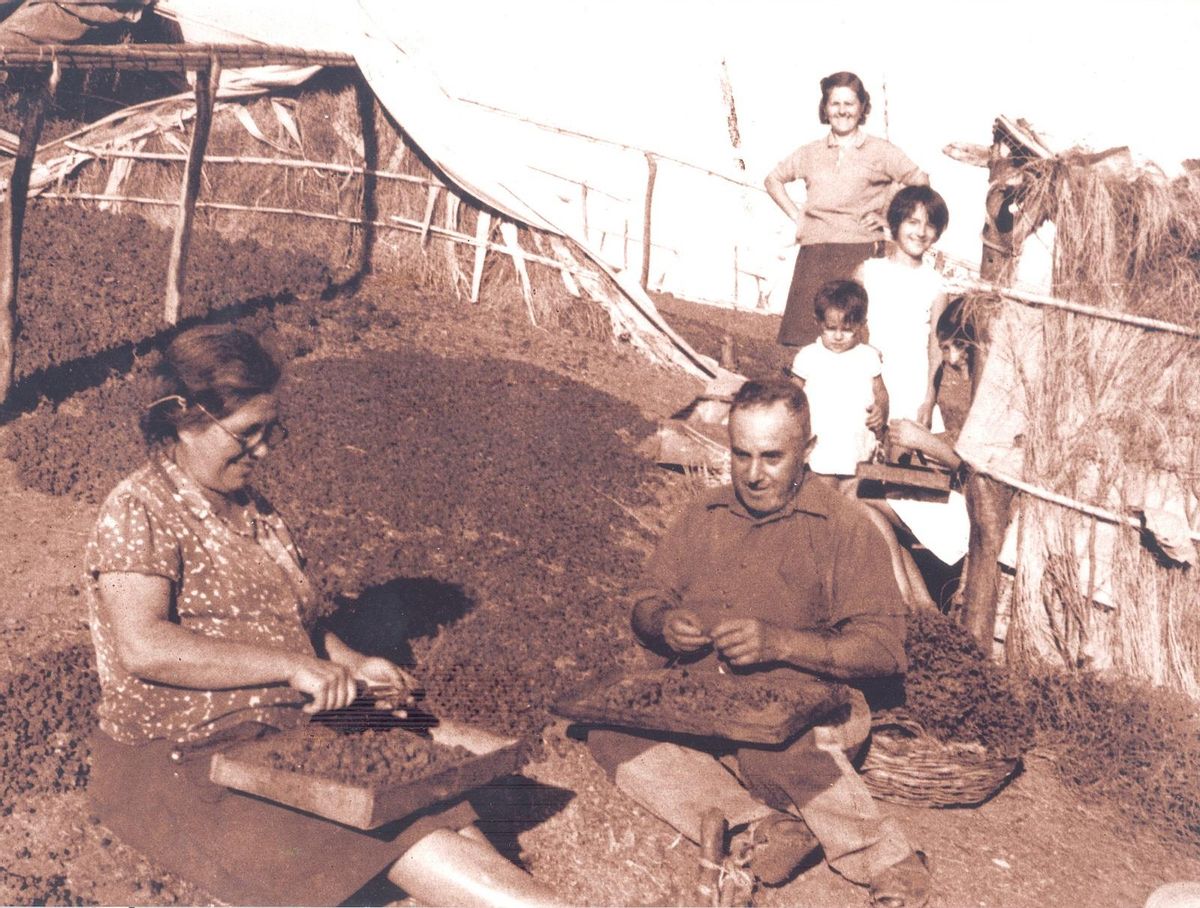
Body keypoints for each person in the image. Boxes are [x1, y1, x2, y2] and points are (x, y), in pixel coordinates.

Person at [84, 325, 557, 907]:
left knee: (427, 799)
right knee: (402, 831)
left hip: (279, 735)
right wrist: (290, 668)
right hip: (183, 755)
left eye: (270, 430)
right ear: (186, 422)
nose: (264, 450)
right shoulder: (139, 508)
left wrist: (353, 662)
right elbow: (145, 645)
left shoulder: (254, 511)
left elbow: (295, 620)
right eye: (247, 433)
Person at [588, 378, 931, 907]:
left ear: (808, 451)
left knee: (776, 752)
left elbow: (884, 651)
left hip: (809, 710)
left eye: (772, 457)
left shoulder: (845, 528)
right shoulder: (702, 515)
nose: (752, 474)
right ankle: (762, 826)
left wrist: (781, 644)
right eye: (740, 454)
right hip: (704, 701)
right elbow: (646, 601)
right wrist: (664, 622)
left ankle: (889, 859)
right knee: (610, 735)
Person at [765, 71, 927, 351]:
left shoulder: (880, 150)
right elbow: (773, 180)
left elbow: (919, 180)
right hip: (814, 254)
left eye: (849, 104)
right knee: (807, 342)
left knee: (853, 340)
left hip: (859, 252)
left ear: (863, 107)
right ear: (825, 109)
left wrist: (887, 216)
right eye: (835, 104)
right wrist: (798, 216)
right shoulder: (810, 152)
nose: (842, 111)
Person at [854, 185, 952, 427]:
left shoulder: (936, 285)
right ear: (895, 223)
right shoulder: (867, 272)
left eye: (929, 225)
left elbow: (936, 347)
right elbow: (850, 326)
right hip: (866, 380)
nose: (921, 232)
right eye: (912, 221)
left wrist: (929, 400)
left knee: (900, 458)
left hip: (911, 386)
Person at [788, 279, 887, 482]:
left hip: (855, 442)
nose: (839, 336)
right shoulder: (809, 356)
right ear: (818, 321)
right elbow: (792, 394)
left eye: (848, 329)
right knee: (823, 492)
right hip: (820, 441)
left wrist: (881, 410)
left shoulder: (867, 356)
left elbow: (881, 392)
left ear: (861, 325)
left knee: (853, 495)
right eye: (831, 328)